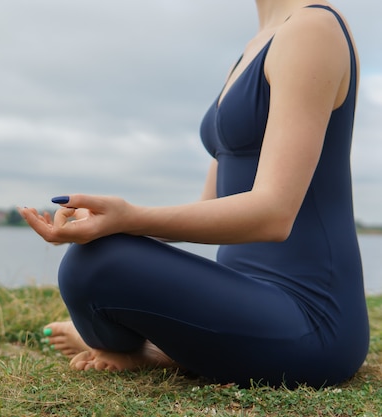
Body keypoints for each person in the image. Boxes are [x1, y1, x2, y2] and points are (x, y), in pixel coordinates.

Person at [18, 0, 369, 389]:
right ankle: (157, 348)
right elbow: (210, 208)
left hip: (312, 324)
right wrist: (105, 222)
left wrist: (132, 217)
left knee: (97, 264)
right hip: (246, 298)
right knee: (96, 250)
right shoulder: (255, 47)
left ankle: (145, 344)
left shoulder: (313, 30)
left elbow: (274, 214)